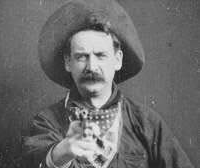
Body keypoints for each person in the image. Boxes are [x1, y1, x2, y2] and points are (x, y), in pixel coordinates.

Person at [23, 0, 194, 168]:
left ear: (117, 60)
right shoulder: (46, 122)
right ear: (68, 62)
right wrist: (61, 153)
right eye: (81, 56)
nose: (91, 67)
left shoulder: (147, 123)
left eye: (100, 55)